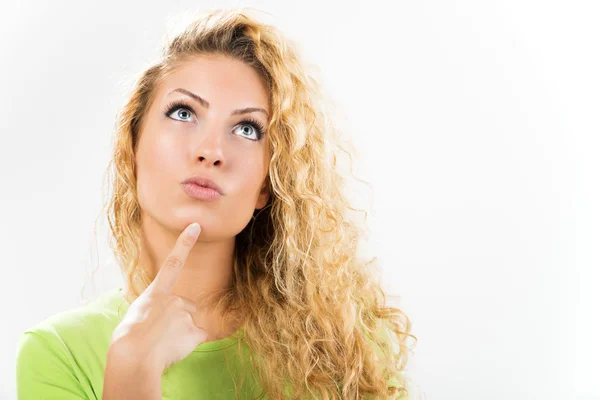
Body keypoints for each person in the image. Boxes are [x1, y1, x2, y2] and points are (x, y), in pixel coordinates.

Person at [15, 7, 415, 399]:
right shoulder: (58, 354)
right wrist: (131, 369)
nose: (211, 151)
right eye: (184, 112)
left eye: (246, 129)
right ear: (133, 147)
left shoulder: (343, 346)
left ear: (267, 185)